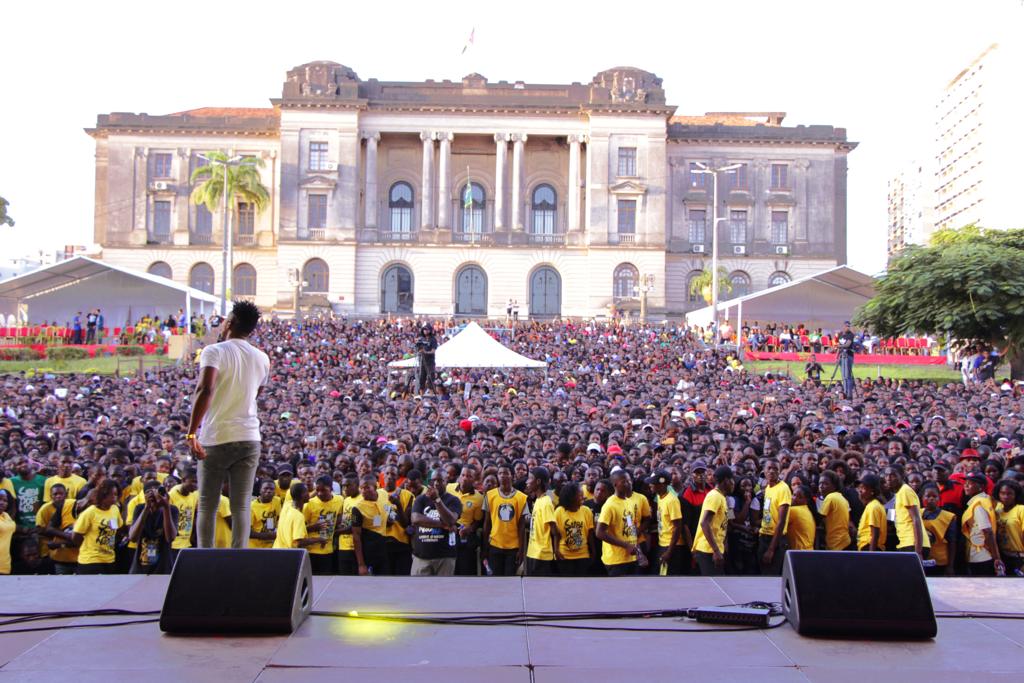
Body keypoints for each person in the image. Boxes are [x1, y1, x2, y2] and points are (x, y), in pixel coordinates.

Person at [186, 300, 270, 549]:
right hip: (249, 437)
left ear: (229, 323)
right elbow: (256, 393)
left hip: (216, 436)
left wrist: (191, 433)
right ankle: (239, 557)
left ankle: (205, 557)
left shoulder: (214, 351)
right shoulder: (262, 358)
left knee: (207, 504)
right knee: (241, 504)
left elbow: (205, 389)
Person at [596, 469, 651, 576]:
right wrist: (626, 545)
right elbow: (600, 533)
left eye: (629, 480)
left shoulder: (629, 502)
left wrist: (639, 553)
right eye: (624, 481)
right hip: (616, 560)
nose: (629, 483)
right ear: (615, 484)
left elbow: (631, 529)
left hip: (631, 557)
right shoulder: (610, 505)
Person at [410, 470, 462, 576]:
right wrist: (443, 525)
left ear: (446, 482)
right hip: (421, 557)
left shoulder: (453, 500)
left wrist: (437, 500)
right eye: (433, 480)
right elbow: (415, 519)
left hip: (445, 557)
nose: (436, 483)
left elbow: (451, 520)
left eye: (440, 480)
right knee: (417, 586)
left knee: (444, 586)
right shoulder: (421, 499)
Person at [483, 464, 528, 576]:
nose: (502, 475)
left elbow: (521, 526)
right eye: (500, 473)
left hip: (513, 547)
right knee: (495, 578)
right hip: (495, 544)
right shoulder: (490, 495)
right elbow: (487, 523)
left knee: (510, 578)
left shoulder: (521, 497)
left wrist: (521, 549)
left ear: (512, 476)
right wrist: (485, 546)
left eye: (506, 473)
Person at [71, 480, 122, 574]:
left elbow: (117, 528)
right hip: (91, 560)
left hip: (109, 559)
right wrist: (90, 547)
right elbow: (75, 536)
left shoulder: (115, 509)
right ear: (103, 495)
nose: (115, 497)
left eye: (116, 494)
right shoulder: (90, 512)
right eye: (112, 494)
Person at [128, 480, 178, 575]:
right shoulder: (139, 508)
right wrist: (147, 508)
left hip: (163, 567)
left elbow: (170, 537)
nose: (156, 496)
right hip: (140, 567)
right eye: (151, 493)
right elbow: (133, 538)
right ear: (145, 495)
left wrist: (166, 507)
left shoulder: (172, 510)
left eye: (159, 492)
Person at [691, 466, 735, 576]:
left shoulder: (723, 497)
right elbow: (704, 523)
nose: (733, 483)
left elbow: (729, 521)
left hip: (715, 548)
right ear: (726, 481)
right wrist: (716, 550)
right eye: (732, 480)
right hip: (708, 550)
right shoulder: (714, 496)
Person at [962, 472, 1002, 576]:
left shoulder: (978, 504)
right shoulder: (985, 499)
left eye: (970, 483)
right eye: (965, 483)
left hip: (982, 555)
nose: (966, 485)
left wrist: (996, 558)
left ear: (981, 487)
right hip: (982, 553)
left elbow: (987, 531)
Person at [552, 482, 595, 576]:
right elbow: (556, 534)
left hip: (583, 555)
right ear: (571, 497)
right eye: (580, 495)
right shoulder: (559, 511)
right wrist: (556, 550)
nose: (583, 497)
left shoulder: (586, 511)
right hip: (564, 556)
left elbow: (590, 533)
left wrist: (593, 552)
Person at [303, 475, 343, 574]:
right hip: (311, 551)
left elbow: (339, 515)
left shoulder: (339, 500)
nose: (320, 493)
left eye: (324, 490)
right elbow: (300, 529)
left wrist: (335, 526)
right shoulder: (309, 504)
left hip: (328, 550)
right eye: (317, 490)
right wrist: (313, 527)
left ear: (331, 489)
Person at [36, 484, 79, 575]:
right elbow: (40, 529)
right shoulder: (45, 509)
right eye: (55, 494)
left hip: (76, 556)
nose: (58, 496)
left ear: (66, 494)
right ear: (51, 496)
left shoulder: (72, 506)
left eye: (61, 494)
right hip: (55, 553)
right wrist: (65, 535)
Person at [887, 467, 930, 559]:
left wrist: (918, 551)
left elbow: (916, 519)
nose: (889, 478)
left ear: (902, 476)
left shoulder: (905, 491)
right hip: (906, 543)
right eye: (887, 475)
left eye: (893, 475)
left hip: (912, 543)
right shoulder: (899, 493)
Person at [351, 474, 389, 575]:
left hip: (384, 549)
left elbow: (387, 507)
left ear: (375, 487)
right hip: (369, 552)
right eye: (361, 488)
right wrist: (361, 564)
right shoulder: (357, 508)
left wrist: (393, 516)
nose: (363, 491)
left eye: (367, 487)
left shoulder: (383, 494)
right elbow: (356, 536)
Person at [649, 470, 685, 575]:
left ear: (661, 484)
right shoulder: (660, 497)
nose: (650, 485)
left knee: (669, 577)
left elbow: (678, 527)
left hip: (672, 546)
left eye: (653, 483)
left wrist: (669, 551)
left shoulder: (672, 501)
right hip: (663, 544)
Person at [758, 459, 791, 575]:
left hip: (775, 539)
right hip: (764, 536)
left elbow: (781, 521)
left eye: (775, 469)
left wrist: (771, 549)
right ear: (764, 471)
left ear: (780, 471)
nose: (772, 471)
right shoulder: (768, 488)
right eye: (769, 468)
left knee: (771, 576)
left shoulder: (783, 489)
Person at [273, 482, 325, 552]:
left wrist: (310, 528)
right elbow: (299, 542)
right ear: (302, 495)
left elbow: (292, 531)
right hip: (287, 553)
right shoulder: (298, 516)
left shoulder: (287, 506)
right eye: (307, 492)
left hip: (276, 550)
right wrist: (319, 539)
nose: (309, 494)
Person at [451, 466, 484, 576]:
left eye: (469, 476)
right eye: (463, 475)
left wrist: (470, 529)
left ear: (474, 479)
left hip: (464, 535)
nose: (465, 478)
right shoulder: (449, 488)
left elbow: (478, 520)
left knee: (464, 569)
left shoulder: (479, 498)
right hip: (448, 532)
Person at [525, 467, 556, 576]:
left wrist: (556, 551)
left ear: (538, 481)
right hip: (533, 552)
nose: (527, 482)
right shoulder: (538, 500)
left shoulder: (546, 502)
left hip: (541, 554)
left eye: (530, 478)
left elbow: (554, 530)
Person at [921, 483, 957, 577]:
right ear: (922, 498)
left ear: (939, 498)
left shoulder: (948, 517)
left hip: (939, 561)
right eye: (928, 496)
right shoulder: (917, 513)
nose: (931, 499)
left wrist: (950, 566)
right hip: (920, 559)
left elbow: (952, 542)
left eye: (934, 496)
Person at [995, 480, 1024, 576]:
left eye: (1009, 494)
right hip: (1002, 556)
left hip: (1018, 557)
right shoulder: (998, 508)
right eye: (1002, 493)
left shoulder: (1021, 509)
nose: (1005, 497)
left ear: (1016, 495)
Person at [817, 470, 852, 550]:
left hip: (836, 543)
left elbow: (820, 518)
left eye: (825, 484)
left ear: (834, 486)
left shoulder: (830, 497)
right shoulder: (842, 498)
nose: (821, 486)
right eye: (820, 483)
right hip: (845, 541)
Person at [856, 474, 887, 552]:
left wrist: (871, 555)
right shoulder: (871, 505)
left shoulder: (873, 507)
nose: (860, 491)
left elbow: (875, 534)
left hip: (869, 547)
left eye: (863, 488)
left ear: (872, 491)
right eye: (859, 488)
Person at [249, 479, 280, 549]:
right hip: (255, 547)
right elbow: (248, 532)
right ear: (260, 490)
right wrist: (268, 536)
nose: (269, 491)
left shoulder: (277, 501)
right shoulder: (252, 507)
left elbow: (278, 518)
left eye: (271, 489)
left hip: (272, 546)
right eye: (266, 488)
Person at [787, 485, 816, 551]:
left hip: (799, 553)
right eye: (794, 495)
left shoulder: (794, 511)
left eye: (799, 497)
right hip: (809, 551)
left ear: (806, 500)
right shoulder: (807, 510)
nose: (794, 498)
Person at [415, 326, 437, 395]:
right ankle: (421, 394)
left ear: (430, 330)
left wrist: (425, 352)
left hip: (430, 361)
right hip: (422, 360)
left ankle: (431, 394)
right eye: (424, 330)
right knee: (421, 377)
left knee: (430, 377)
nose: (425, 331)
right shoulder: (421, 339)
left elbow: (433, 351)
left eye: (427, 330)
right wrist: (419, 351)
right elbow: (417, 349)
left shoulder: (433, 339)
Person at [836, 321, 856, 399]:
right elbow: (839, 346)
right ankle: (844, 391)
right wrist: (837, 356)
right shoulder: (841, 335)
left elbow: (847, 344)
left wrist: (839, 346)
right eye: (846, 326)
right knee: (843, 375)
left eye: (848, 326)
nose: (847, 327)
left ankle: (849, 393)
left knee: (848, 375)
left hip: (848, 355)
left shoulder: (850, 335)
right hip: (842, 356)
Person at [0, 490, 14, 575]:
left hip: (5, 564)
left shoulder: (6, 515)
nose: (2, 503)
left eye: (5, 500)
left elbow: (11, 528)